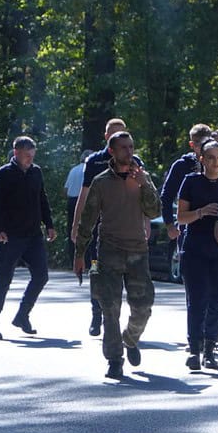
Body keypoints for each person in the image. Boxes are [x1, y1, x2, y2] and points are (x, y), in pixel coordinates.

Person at [74, 131, 161, 380]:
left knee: (143, 306)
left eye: (131, 147)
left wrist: (144, 184)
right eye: (123, 147)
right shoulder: (101, 182)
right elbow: (87, 220)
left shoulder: (142, 177)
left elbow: (154, 211)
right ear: (111, 151)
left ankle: (130, 339)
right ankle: (114, 360)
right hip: (110, 251)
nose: (129, 152)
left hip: (138, 251)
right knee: (110, 308)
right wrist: (79, 254)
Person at [0, 137, 56, 340]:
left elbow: (42, 199)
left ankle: (22, 315)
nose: (30, 159)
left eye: (32, 156)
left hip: (33, 235)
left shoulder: (36, 172)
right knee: (4, 281)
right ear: (16, 152)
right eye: (27, 155)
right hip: (10, 236)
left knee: (41, 276)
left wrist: (49, 224)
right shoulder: (3, 174)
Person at [71, 118, 135, 336]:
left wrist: (145, 225)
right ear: (107, 137)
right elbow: (85, 193)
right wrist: (77, 226)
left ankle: (116, 317)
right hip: (99, 230)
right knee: (96, 271)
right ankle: (96, 313)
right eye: (114, 134)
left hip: (125, 230)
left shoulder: (134, 161)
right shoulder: (95, 161)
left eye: (122, 134)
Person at [176, 141, 218, 371]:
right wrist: (201, 212)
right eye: (211, 157)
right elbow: (180, 217)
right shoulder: (191, 182)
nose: (216, 162)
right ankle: (194, 349)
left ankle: (210, 348)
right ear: (202, 159)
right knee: (197, 300)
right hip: (195, 248)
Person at [64, 150, 92, 263]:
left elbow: (65, 190)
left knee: (72, 230)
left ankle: (73, 260)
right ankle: (89, 261)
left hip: (71, 201)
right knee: (89, 231)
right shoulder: (90, 169)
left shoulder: (73, 170)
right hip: (86, 201)